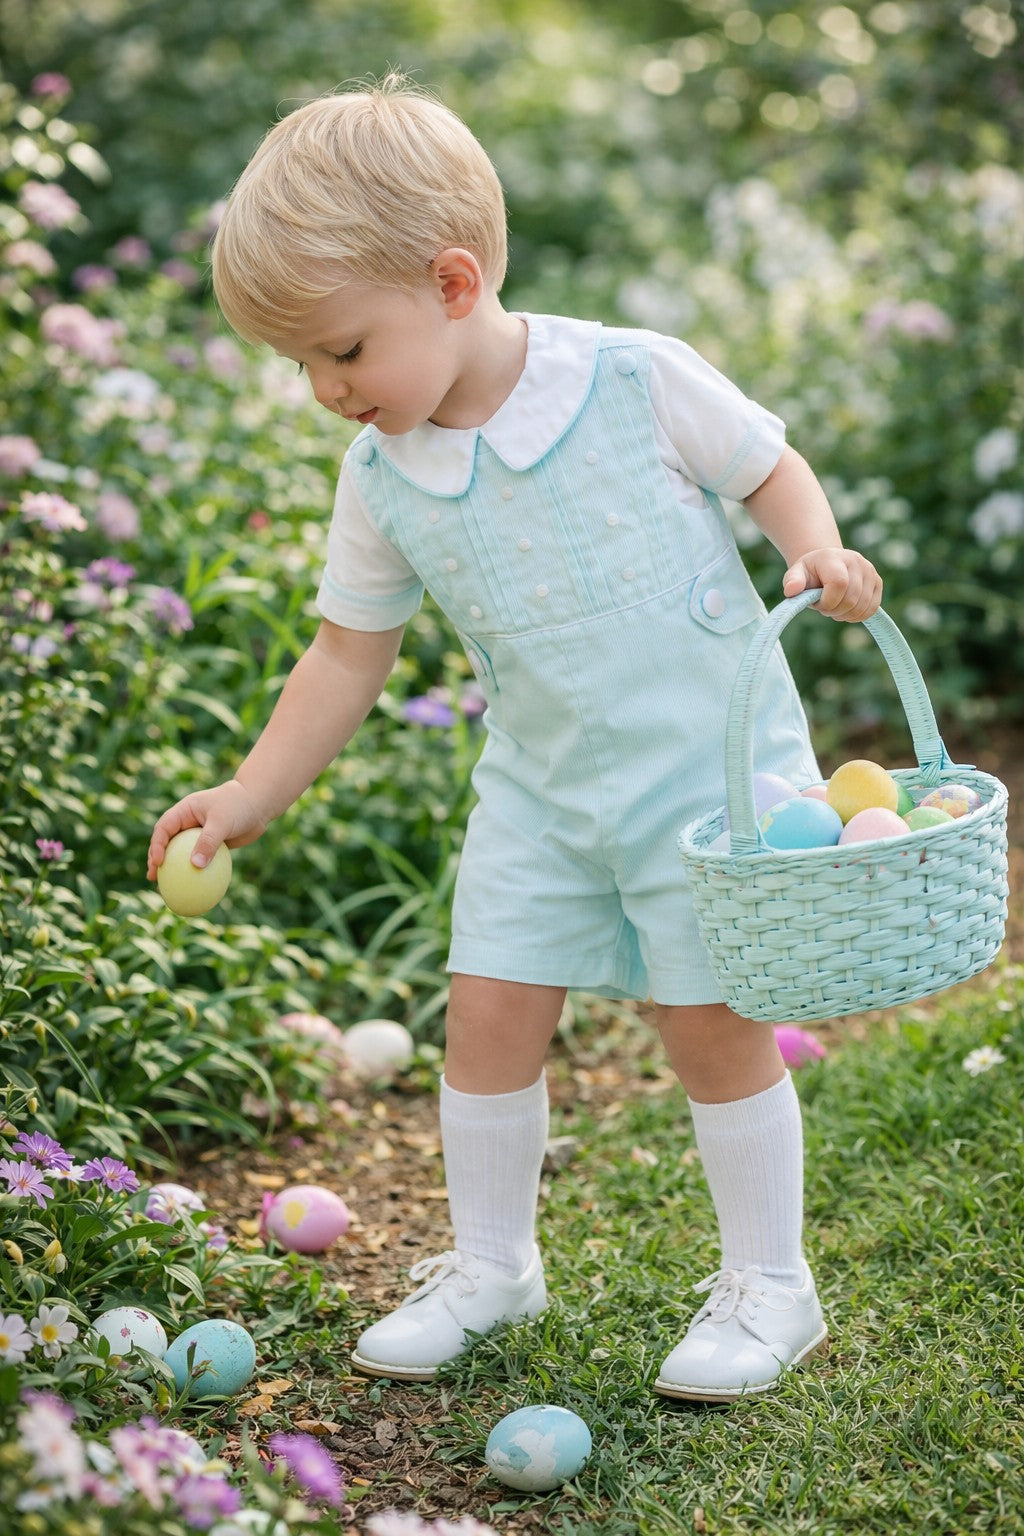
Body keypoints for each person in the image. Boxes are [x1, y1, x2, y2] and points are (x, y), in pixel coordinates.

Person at [147, 76, 882, 1402]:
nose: (323, 389)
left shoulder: (631, 379)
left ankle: (773, 1287)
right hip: (541, 795)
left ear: (450, 281)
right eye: (299, 364)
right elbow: (346, 650)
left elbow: (767, 466)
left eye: (343, 351)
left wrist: (814, 548)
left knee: (711, 1027)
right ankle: (492, 1265)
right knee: (484, 1016)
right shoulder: (384, 474)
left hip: (709, 789)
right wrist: (251, 791)